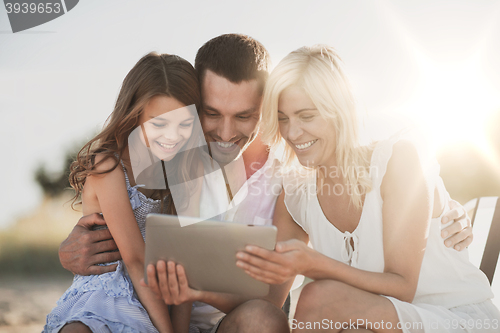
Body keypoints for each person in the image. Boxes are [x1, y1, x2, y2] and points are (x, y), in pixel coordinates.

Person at [58, 34, 474, 333]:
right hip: (153, 318)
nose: (224, 132)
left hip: (234, 324)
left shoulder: (288, 176)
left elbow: (273, 298)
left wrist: (445, 206)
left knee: (267, 317)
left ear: (266, 109)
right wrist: (70, 249)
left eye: (244, 115)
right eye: (211, 113)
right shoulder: (166, 157)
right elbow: (117, 212)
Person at [236, 45, 500, 332]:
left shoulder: (399, 162)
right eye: (283, 118)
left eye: (307, 116)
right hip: (369, 323)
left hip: (453, 319)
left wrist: (314, 264)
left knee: (320, 299)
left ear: (339, 111)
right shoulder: (297, 192)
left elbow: (402, 288)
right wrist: (196, 293)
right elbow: (269, 299)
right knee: (267, 316)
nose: (292, 132)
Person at [44, 52, 204, 333]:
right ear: (134, 114)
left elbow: (184, 266)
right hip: (107, 295)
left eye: (185, 124)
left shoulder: (186, 175)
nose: (172, 135)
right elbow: (134, 259)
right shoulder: (109, 167)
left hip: (157, 303)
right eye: (159, 123)